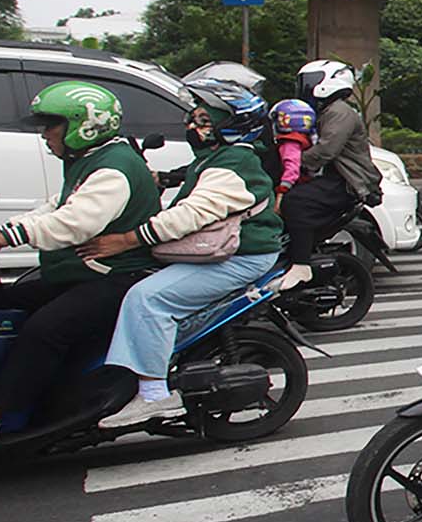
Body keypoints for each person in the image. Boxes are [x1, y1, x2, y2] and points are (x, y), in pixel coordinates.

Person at [0, 82, 162, 463]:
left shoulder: (115, 168)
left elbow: (74, 223)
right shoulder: (88, 160)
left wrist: (7, 238)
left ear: (83, 125)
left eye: (50, 125)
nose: (44, 134)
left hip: (118, 276)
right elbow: (53, 208)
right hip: (82, 271)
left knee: (45, 329)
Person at [90, 80, 285, 424]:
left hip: (241, 256)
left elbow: (190, 214)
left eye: (204, 121)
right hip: (220, 250)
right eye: (193, 120)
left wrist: (129, 239)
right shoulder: (217, 157)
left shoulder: (234, 162)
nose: (194, 128)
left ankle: (154, 395)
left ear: (233, 125)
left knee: (147, 299)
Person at [279, 59, 381, 289]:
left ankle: (301, 265)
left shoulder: (339, 112)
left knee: (296, 202)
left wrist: (292, 162)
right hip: (336, 178)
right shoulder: (326, 111)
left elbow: (326, 151)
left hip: (347, 183)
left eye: (308, 82)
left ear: (326, 83)